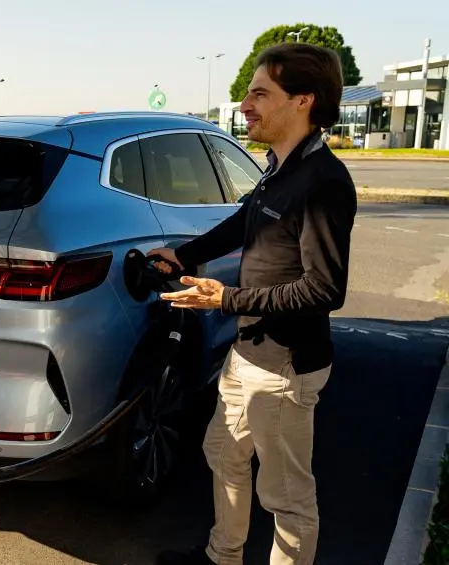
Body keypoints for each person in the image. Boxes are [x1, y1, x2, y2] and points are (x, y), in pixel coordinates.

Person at [150, 42, 357, 565]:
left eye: (260, 93)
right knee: (221, 452)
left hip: (286, 367)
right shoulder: (280, 167)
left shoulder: (324, 183)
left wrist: (228, 298)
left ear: (303, 101)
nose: (245, 104)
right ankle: (224, 556)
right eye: (247, 93)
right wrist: (184, 254)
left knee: (286, 499)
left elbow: (324, 289)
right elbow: (246, 223)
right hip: (248, 354)